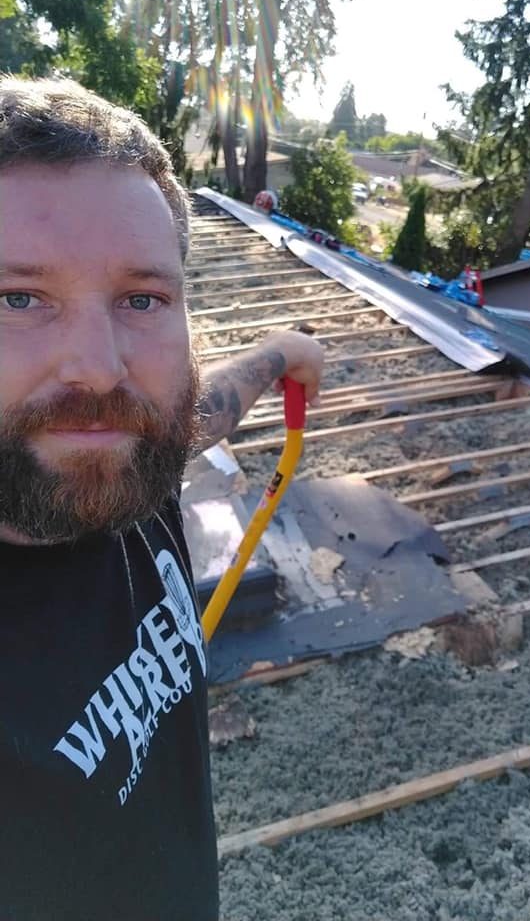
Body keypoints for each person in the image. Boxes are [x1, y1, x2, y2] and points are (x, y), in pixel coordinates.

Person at [0, 75, 324, 920]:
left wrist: (281, 352)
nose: (100, 369)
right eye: (18, 298)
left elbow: (196, 414)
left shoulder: (129, 453)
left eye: (142, 299)